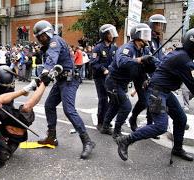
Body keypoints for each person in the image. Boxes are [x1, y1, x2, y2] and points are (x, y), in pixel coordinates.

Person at [116, 28, 194, 162]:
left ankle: (177, 148)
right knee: (160, 126)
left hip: (165, 91)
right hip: (157, 92)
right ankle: (126, 140)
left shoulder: (182, 55)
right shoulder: (184, 59)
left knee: (181, 119)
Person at [33, 20, 95, 160]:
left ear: (48, 33)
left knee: (69, 110)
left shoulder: (55, 41)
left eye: (41, 36)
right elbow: (50, 60)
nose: (40, 39)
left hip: (69, 80)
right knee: (49, 105)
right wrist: (44, 74)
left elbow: (52, 58)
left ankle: (88, 141)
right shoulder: (49, 44)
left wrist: (46, 71)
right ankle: (52, 137)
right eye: (38, 37)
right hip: (61, 79)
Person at [100, 23, 153, 139]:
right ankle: (117, 131)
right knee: (126, 106)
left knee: (115, 105)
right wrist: (140, 60)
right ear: (137, 36)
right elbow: (122, 62)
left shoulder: (142, 49)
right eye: (144, 34)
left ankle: (104, 127)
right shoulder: (127, 48)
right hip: (114, 82)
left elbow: (144, 65)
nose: (147, 37)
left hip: (122, 83)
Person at [129, 14, 167, 131]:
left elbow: (160, 58)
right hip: (143, 75)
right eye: (158, 24)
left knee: (155, 100)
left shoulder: (158, 41)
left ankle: (151, 125)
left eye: (161, 24)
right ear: (152, 25)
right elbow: (146, 58)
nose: (160, 27)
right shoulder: (146, 40)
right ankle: (133, 117)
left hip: (155, 75)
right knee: (145, 101)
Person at [90, 24, 118, 131]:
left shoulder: (114, 47)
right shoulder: (98, 48)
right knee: (103, 99)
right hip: (100, 77)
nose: (112, 35)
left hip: (111, 77)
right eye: (110, 33)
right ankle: (100, 122)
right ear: (105, 34)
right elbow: (93, 62)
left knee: (113, 98)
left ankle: (107, 120)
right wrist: (103, 69)